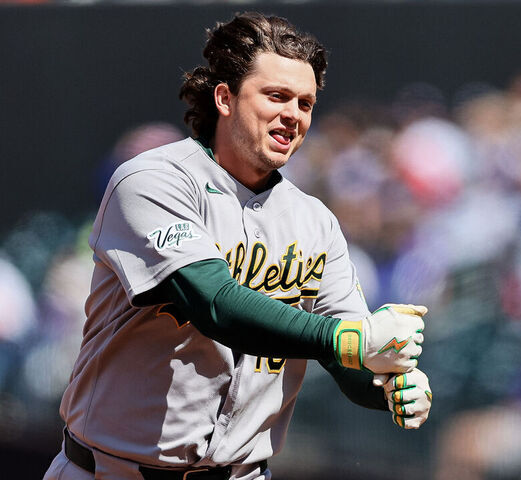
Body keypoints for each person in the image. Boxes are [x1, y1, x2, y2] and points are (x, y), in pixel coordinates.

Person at [44, 12, 432, 480]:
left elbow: (342, 349)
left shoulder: (314, 221)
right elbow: (215, 303)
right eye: (276, 96)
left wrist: (387, 383)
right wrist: (352, 341)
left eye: (306, 103)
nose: (293, 114)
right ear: (224, 98)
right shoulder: (153, 181)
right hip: (111, 471)